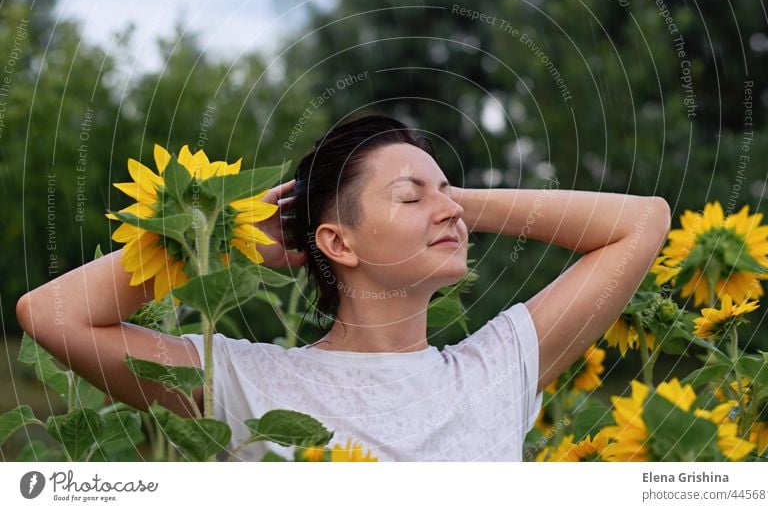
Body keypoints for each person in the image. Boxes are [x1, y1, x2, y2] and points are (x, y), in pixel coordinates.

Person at [16, 111, 671, 462]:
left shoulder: (495, 371)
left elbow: (644, 223)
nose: (448, 211)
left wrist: (451, 199)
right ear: (338, 242)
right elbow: (51, 314)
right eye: (410, 196)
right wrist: (217, 232)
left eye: (449, 191)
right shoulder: (245, 384)